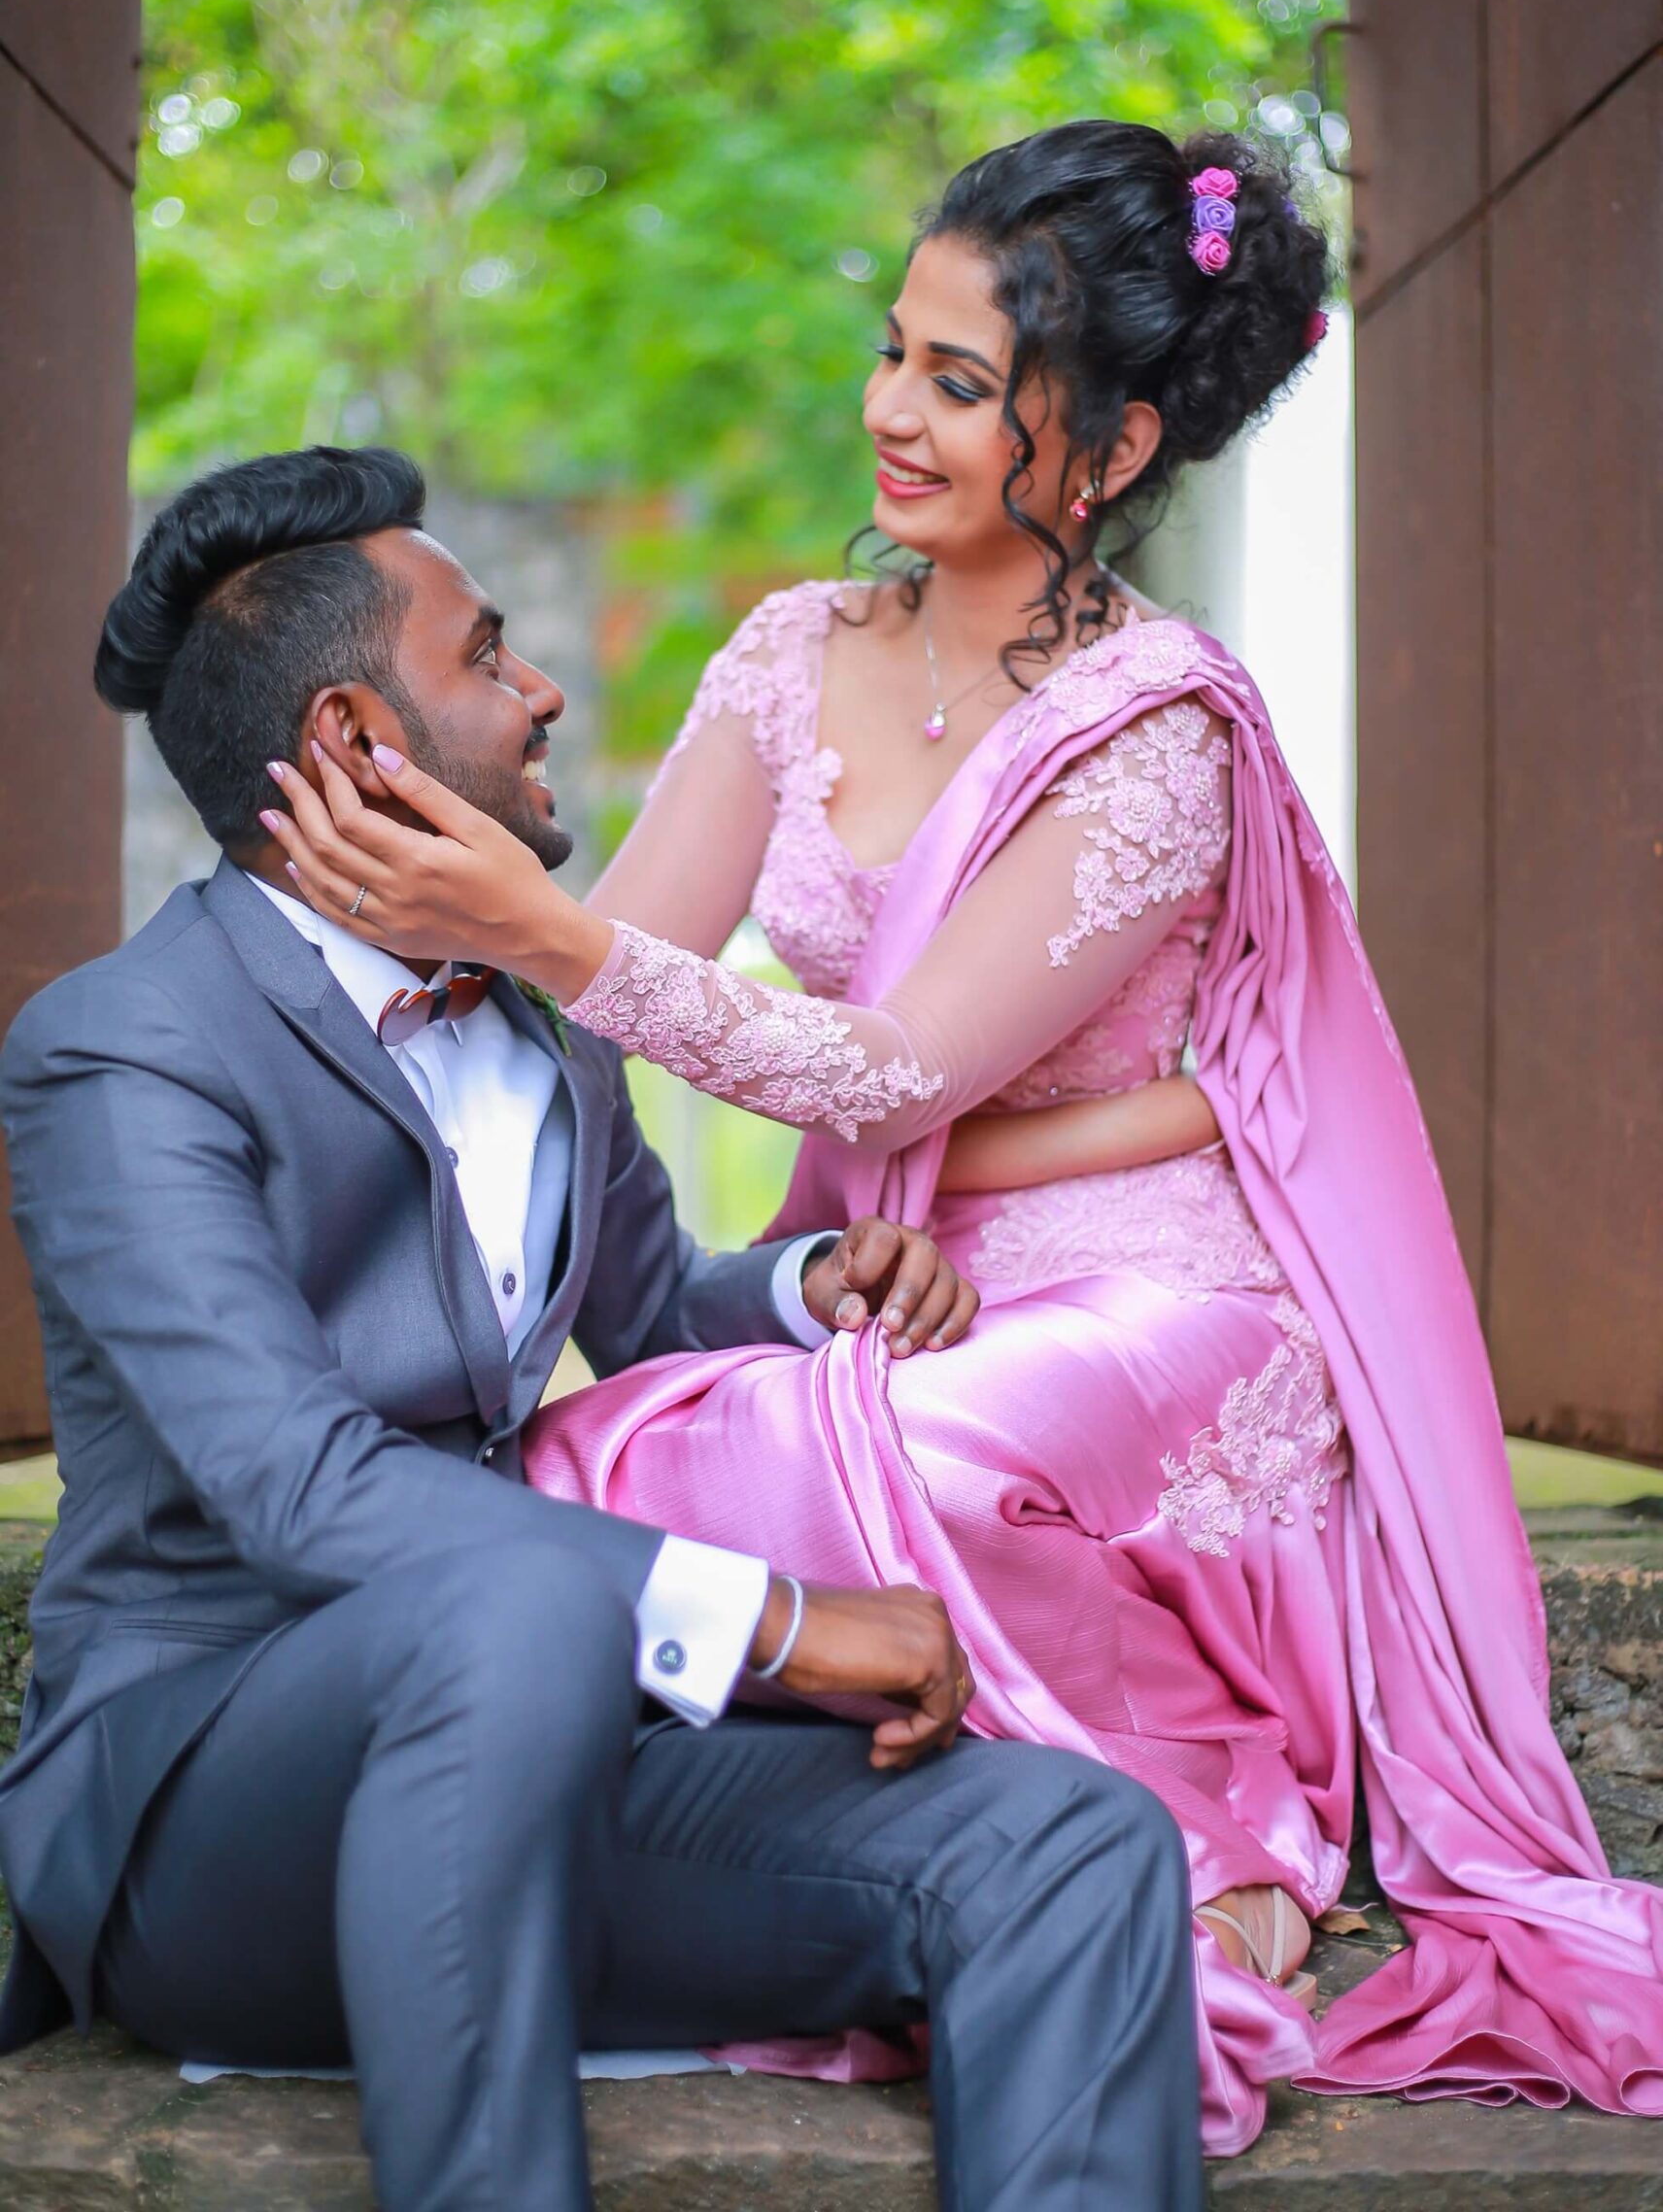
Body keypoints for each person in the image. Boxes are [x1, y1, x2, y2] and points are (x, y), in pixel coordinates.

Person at [264, 121, 1663, 2157]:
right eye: (892, 350)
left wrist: (542, 932)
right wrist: (379, 918)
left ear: (1099, 449)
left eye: (956, 380)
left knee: (869, 1445)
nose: (886, 413)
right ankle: (887, 1864)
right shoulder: (789, 654)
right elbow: (621, 964)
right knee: (586, 1451)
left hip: (1163, 1307)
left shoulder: (1156, 727)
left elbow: (891, 1070)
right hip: (911, 1280)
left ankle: (1205, 1816)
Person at [0, 445, 1207, 2212]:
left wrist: (806, 1290)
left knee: (1062, 1841)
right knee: (505, 1587)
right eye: (488, 657)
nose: (543, 686)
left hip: (540, 1757)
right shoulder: (126, 1048)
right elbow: (298, 1484)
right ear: (352, 740)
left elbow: (646, 1319)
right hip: (207, 1819)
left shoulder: (552, 1021)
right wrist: (780, 1623)